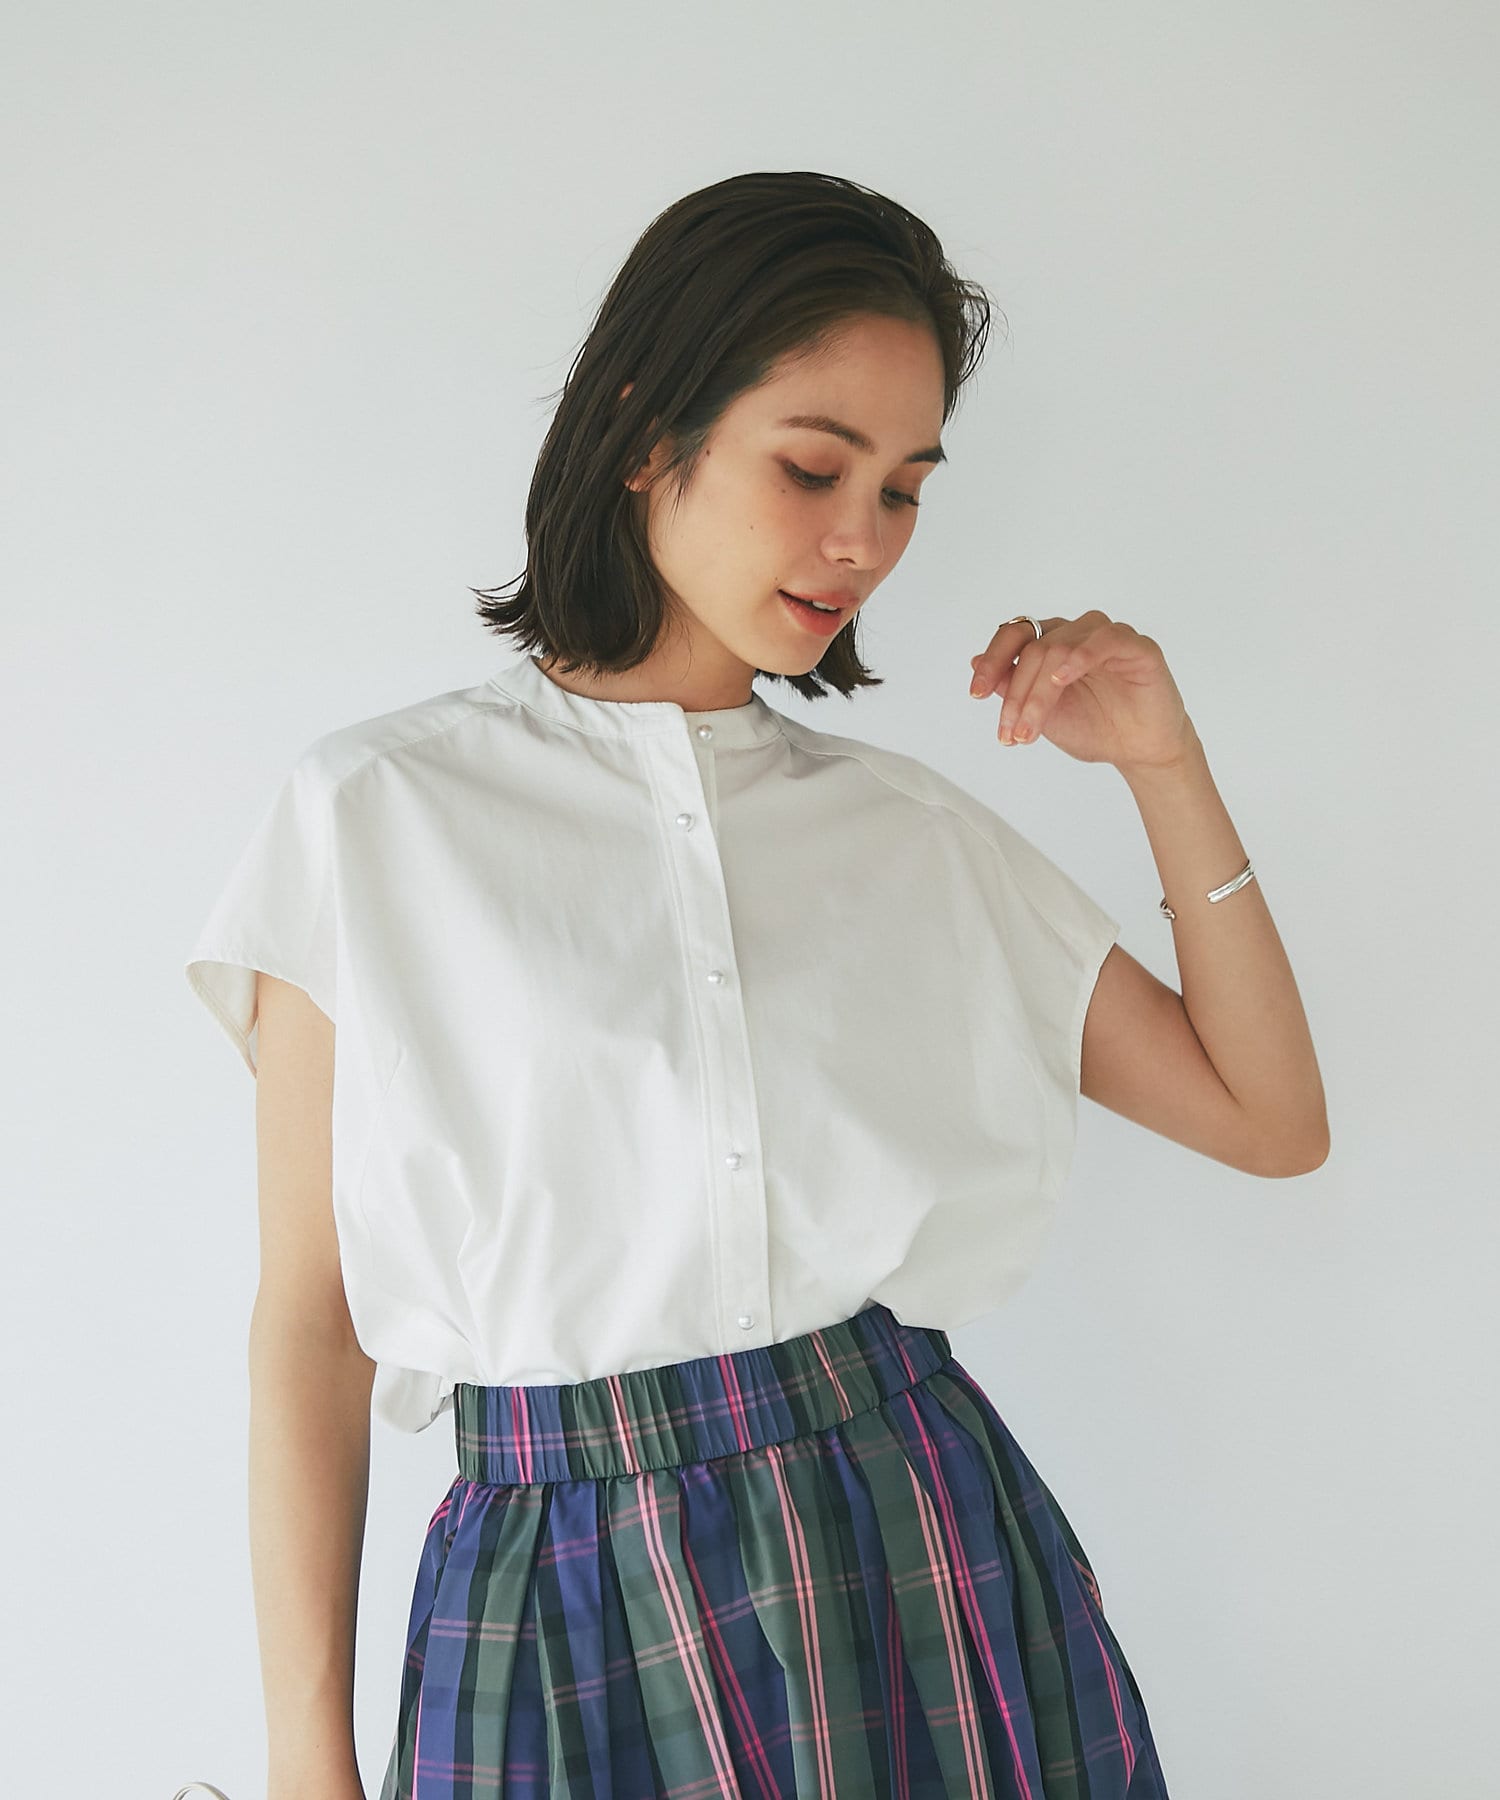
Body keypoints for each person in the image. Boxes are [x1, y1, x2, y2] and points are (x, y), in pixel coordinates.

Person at [184, 170, 1328, 1800]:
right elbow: (313, 1325)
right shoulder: (376, 815)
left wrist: (1165, 760)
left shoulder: (903, 834)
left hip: (914, 1545)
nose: (863, 540)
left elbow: (1269, 1119)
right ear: (644, 431)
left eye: (906, 489)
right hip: (558, 1600)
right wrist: (309, 1760)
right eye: (813, 467)